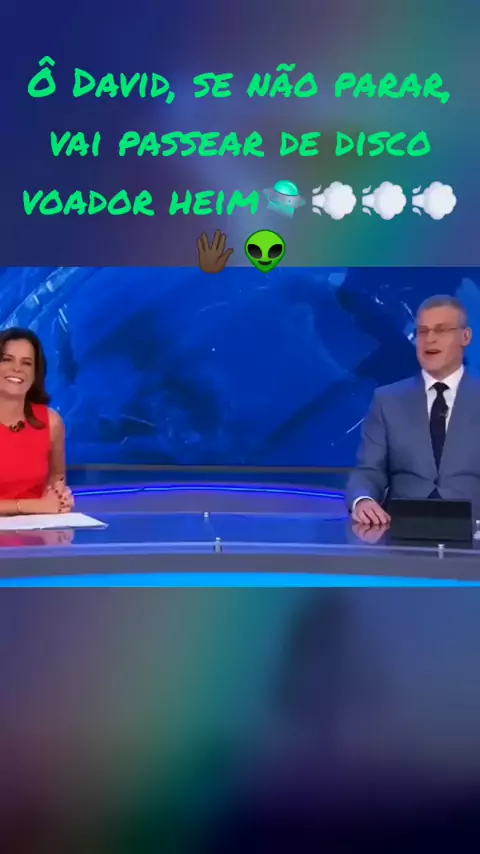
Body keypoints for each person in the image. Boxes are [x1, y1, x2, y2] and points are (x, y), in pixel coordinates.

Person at [347, 295, 480, 526]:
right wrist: (363, 500)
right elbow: (369, 471)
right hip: (401, 531)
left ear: (465, 337)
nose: (430, 339)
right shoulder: (387, 400)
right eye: (423, 331)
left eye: (441, 330)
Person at [0, 327, 74, 515]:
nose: (17, 369)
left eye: (26, 363)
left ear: (36, 373)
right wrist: (30, 506)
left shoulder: (51, 422)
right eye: (7, 359)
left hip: (37, 531)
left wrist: (61, 499)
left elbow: (57, 479)